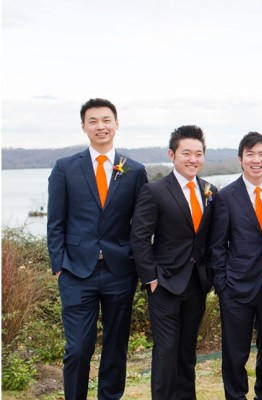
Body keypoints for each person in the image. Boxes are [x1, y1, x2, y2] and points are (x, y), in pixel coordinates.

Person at [47, 98, 148, 400]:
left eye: (106, 120)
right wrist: (58, 266)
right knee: (78, 348)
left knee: (116, 346)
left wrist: (137, 264)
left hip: (120, 271)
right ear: (83, 126)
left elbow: (141, 225)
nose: (100, 126)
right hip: (76, 271)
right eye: (93, 121)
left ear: (116, 124)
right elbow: (55, 222)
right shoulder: (65, 168)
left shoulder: (135, 170)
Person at [130, 125, 217, 400]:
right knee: (166, 351)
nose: (193, 159)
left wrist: (210, 275)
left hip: (196, 283)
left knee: (187, 352)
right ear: (172, 154)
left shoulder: (210, 191)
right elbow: (139, 236)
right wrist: (151, 278)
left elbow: (211, 239)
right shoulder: (154, 190)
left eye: (198, 154)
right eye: (186, 153)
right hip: (164, 284)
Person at [209, 132, 262, 400]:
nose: (256, 160)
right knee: (235, 353)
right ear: (240, 159)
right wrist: (222, 284)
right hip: (237, 287)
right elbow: (217, 245)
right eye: (250, 154)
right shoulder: (226, 196)